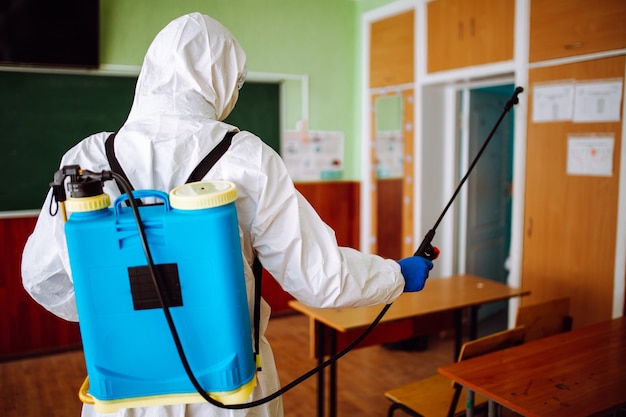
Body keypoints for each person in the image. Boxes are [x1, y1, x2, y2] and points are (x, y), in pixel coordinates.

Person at [21, 12, 433, 417]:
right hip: (228, 394)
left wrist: (125, 318)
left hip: (123, 390)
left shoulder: (85, 160)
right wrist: (397, 275)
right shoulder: (246, 158)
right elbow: (320, 277)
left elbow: (42, 276)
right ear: (219, 80)